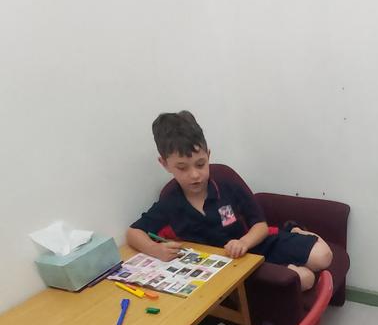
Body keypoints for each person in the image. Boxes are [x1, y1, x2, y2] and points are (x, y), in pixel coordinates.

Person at [126, 111, 333, 290]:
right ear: (164, 164)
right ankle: (291, 266)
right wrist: (156, 250)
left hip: (254, 243)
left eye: (200, 164)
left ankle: (295, 230)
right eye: (182, 168)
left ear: (208, 155)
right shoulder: (169, 202)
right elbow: (133, 232)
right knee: (304, 279)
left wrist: (243, 242)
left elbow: (260, 226)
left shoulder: (226, 186)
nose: (195, 175)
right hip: (230, 268)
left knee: (324, 256)